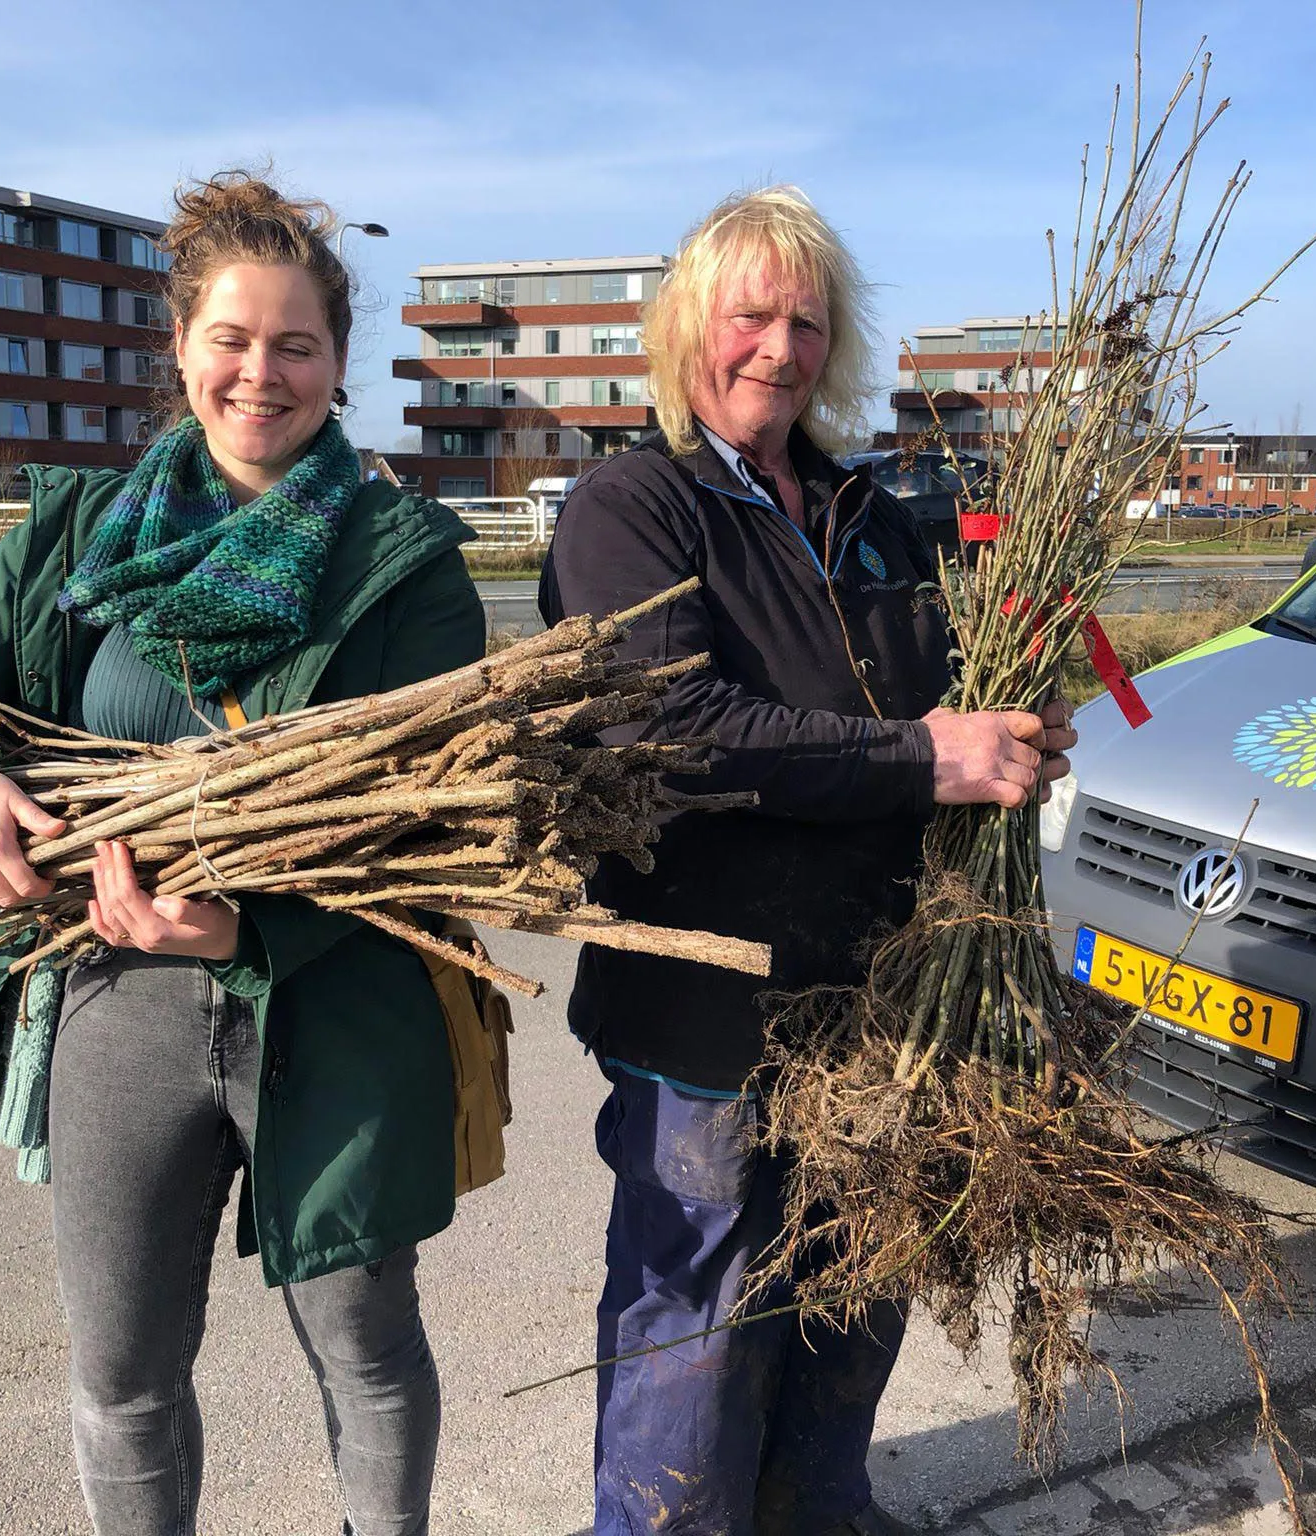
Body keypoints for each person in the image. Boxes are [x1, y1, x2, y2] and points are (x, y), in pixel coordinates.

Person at [0, 171, 485, 1536]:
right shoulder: (77, 535)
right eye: (232, 341)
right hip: (116, 999)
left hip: (336, 1001)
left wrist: (250, 933)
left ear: (337, 364)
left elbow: (427, 824)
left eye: (296, 345)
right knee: (123, 1371)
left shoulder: (405, 560)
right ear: (183, 349)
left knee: (365, 1354)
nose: (262, 375)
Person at [540, 186, 1077, 1535]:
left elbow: (927, 696)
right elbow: (672, 732)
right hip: (710, 996)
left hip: (880, 991)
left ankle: (815, 1512)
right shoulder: (633, 505)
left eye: (805, 321)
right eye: (750, 316)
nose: (777, 348)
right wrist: (924, 758)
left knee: (856, 1272)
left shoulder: (868, 509)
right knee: (700, 1301)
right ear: (687, 327)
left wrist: (1005, 736)